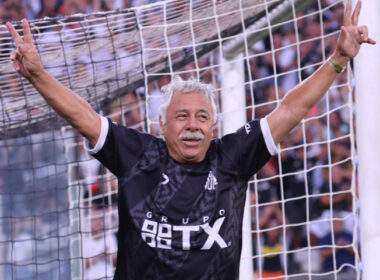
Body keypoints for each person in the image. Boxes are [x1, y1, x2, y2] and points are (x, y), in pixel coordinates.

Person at [5, 1, 375, 279]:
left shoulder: (231, 156)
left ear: (214, 126)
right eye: (182, 116)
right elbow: (82, 116)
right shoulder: (137, 154)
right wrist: (37, 74)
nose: (193, 126)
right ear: (162, 124)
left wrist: (337, 60)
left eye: (202, 117)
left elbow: (290, 111)